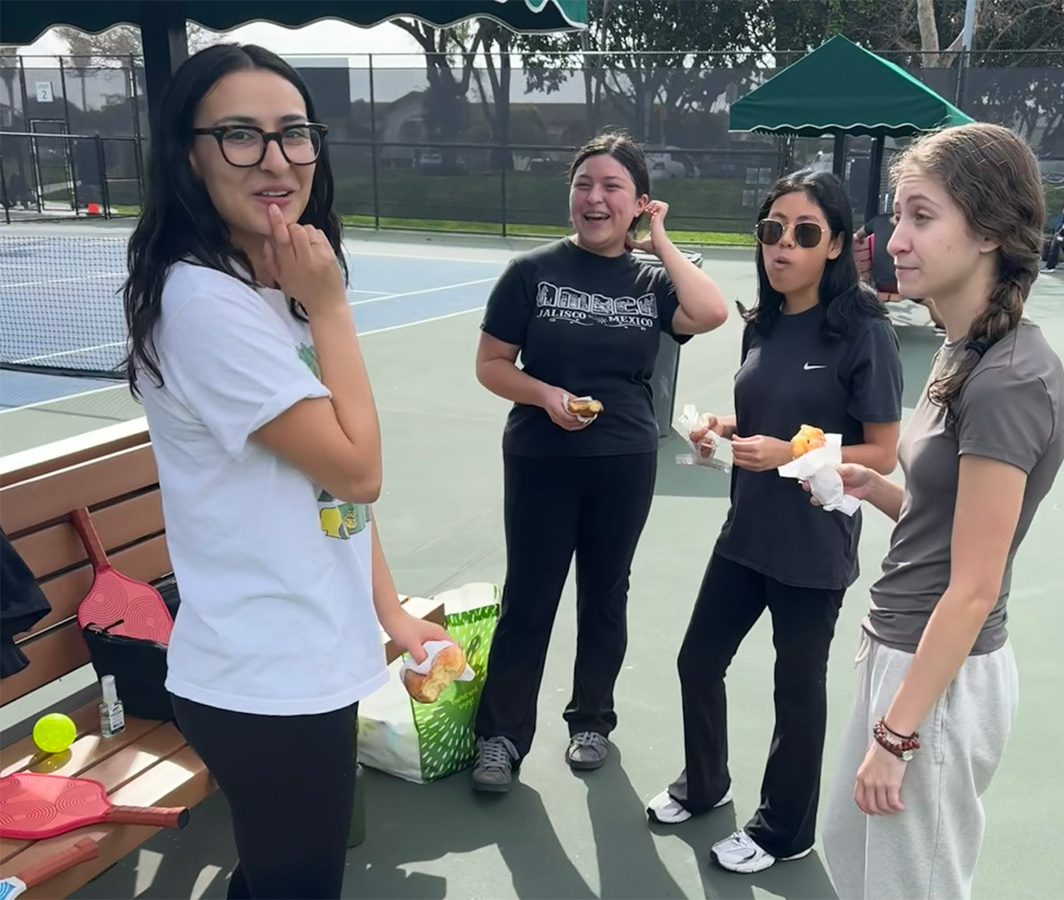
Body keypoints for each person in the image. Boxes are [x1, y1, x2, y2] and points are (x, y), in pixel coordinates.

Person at [122, 44, 450, 899]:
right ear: (187, 155)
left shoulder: (265, 285)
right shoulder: (204, 305)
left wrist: (388, 610)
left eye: (294, 133)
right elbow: (358, 466)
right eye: (239, 135)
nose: (275, 159)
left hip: (306, 656)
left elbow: (329, 493)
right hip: (262, 676)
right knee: (294, 884)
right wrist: (331, 306)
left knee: (283, 876)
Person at [820, 122, 1064, 899]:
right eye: (898, 216)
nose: (893, 239)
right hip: (900, 650)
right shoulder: (963, 350)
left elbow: (973, 587)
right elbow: (947, 517)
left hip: (941, 676)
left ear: (991, 230)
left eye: (921, 217)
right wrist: (878, 490)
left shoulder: (1008, 380)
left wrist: (897, 736)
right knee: (851, 856)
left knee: (912, 885)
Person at [643, 171, 903, 873]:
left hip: (813, 544)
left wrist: (790, 451)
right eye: (772, 230)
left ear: (837, 245)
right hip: (747, 531)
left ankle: (785, 831)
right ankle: (705, 785)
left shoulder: (864, 330)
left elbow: (882, 450)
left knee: (796, 689)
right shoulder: (762, 321)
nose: (783, 244)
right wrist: (724, 432)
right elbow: (766, 417)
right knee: (698, 660)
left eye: (805, 233)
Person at [471, 132, 728, 792]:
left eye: (612, 187)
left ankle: (592, 721)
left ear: (637, 202)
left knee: (605, 594)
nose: (594, 197)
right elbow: (492, 366)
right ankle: (501, 738)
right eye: (584, 184)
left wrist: (660, 241)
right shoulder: (530, 274)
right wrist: (545, 394)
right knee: (529, 597)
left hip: (624, 458)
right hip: (539, 456)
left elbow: (712, 310)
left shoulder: (652, 282)